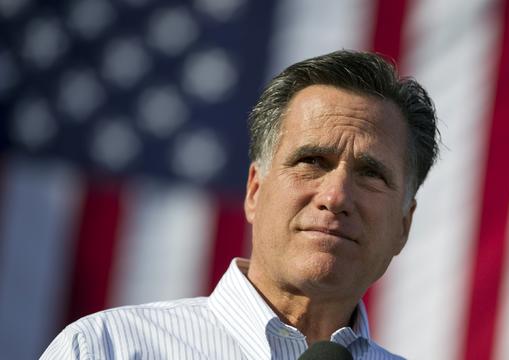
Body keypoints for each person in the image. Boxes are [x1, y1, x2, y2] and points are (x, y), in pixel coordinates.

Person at [41, 50, 439, 360]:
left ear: (404, 225)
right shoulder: (106, 348)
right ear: (255, 190)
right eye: (312, 161)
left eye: (371, 174)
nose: (335, 197)